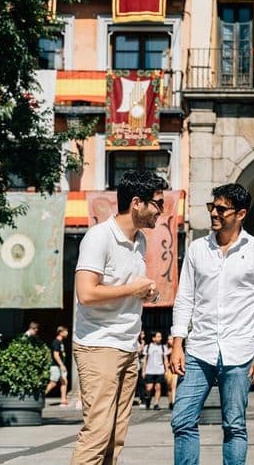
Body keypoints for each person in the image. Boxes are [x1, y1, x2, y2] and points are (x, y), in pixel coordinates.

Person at [169, 183, 254, 465]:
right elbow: (185, 299)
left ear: (241, 214)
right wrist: (177, 342)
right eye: (212, 207)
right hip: (199, 349)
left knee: (234, 425)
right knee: (182, 419)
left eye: (221, 209)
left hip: (239, 351)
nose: (214, 213)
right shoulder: (197, 249)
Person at [71, 169, 167, 464]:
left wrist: (147, 293)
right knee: (97, 434)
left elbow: (126, 289)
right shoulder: (99, 237)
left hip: (127, 345)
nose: (161, 211)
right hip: (98, 344)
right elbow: (85, 293)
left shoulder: (140, 241)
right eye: (158, 203)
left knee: (115, 437)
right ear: (137, 203)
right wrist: (131, 289)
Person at [142, 331, 167, 410]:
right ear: (153, 338)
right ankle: (148, 399)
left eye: (160, 336)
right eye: (158, 336)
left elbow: (165, 360)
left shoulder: (163, 347)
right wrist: (143, 371)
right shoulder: (148, 347)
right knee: (149, 388)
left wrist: (166, 370)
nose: (160, 338)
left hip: (160, 370)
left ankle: (156, 404)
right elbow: (145, 360)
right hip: (149, 370)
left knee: (158, 387)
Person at [45, 326, 69, 406]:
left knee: (64, 381)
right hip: (56, 366)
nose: (67, 333)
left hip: (61, 366)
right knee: (53, 383)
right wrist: (61, 365)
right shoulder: (56, 342)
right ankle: (41, 395)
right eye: (65, 331)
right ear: (60, 332)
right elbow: (56, 355)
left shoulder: (61, 342)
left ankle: (63, 399)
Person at [164, 335, 177, 410]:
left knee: (174, 386)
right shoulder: (167, 350)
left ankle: (173, 402)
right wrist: (166, 371)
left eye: (171, 339)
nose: (170, 341)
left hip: (175, 370)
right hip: (169, 370)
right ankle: (170, 402)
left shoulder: (178, 349)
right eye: (169, 339)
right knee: (169, 388)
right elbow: (165, 361)